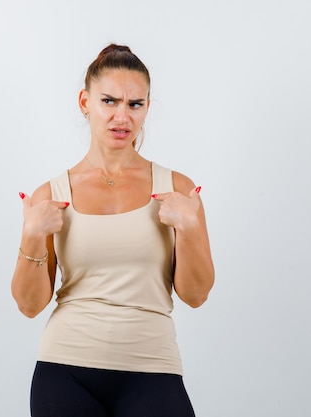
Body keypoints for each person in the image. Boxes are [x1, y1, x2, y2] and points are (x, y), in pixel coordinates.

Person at [11, 43, 215, 417]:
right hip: (65, 369)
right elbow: (29, 305)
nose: (122, 116)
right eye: (110, 101)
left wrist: (187, 228)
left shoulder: (177, 189)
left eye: (135, 104)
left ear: (147, 108)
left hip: (152, 367)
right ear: (85, 102)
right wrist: (31, 235)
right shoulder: (51, 195)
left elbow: (196, 294)